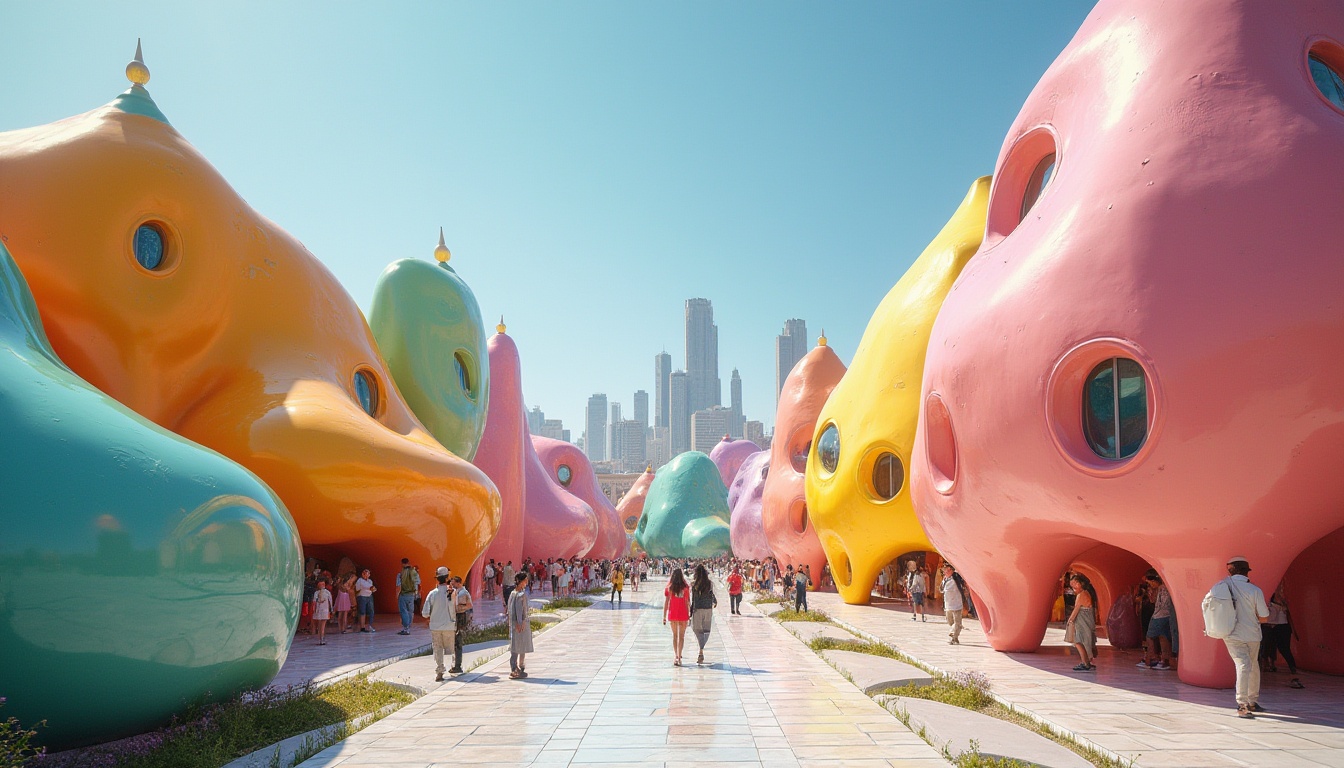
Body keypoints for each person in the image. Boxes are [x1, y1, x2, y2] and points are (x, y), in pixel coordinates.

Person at [1212, 556, 1270, 718]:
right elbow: (1264, 617)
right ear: (1246, 571)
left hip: (1231, 633)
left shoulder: (1221, 586)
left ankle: (1242, 704)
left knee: (1243, 665)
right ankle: (1251, 701)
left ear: (1230, 570)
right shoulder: (1255, 590)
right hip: (1252, 634)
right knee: (1252, 665)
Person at [420, 566, 456, 682]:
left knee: (438, 648)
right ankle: (455, 666)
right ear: (447, 578)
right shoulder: (453, 592)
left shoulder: (432, 594)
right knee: (452, 648)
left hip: (435, 626)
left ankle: (440, 671)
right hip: (450, 626)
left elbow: (425, 613)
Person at [1261, 585, 1300, 687]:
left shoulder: (1280, 604)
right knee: (1268, 645)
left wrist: (1294, 630)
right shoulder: (1271, 603)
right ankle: (1267, 664)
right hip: (1274, 627)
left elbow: (1287, 616)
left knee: (1284, 649)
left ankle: (1293, 670)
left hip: (1282, 627)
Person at [1138, 570, 1174, 670]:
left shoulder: (1162, 589)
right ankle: (1163, 659)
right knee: (1163, 637)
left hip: (1160, 615)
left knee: (1150, 636)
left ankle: (1154, 657)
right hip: (1163, 615)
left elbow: (1154, 601)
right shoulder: (1161, 588)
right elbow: (1153, 600)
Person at [1066, 573, 1098, 671]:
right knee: (1084, 641)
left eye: (1076, 583)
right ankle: (1087, 662)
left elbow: (1076, 609)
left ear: (1082, 583)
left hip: (1083, 622)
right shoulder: (1086, 593)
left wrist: (1070, 620)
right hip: (1086, 621)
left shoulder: (1082, 594)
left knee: (1079, 642)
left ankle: (1085, 663)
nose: (1074, 586)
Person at [690, 564, 718, 664]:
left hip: (698, 609)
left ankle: (701, 650)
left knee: (697, 630)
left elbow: (693, 599)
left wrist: (690, 611)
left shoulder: (693, 584)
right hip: (707, 608)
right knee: (706, 630)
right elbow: (711, 594)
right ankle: (701, 650)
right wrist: (715, 601)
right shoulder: (709, 583)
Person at [508, 573, 533, 679]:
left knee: (517, 644)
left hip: (515, 623)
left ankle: (517, 667)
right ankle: (515, 668)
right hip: (520, 623)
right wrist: (520, 622)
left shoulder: (513, 593)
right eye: (525, 580)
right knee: (517, 645)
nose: (526, 582)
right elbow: (519, 610)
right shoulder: (519, 595)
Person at [664, 568, 691, 666]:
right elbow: (687, 601)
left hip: (673, 614)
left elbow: (666, 602)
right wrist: (689, 614)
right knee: (682, 637)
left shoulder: (670, 587)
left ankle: (676, 656)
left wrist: (664, 616)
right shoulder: (686, 587)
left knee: (675, 636)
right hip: (683, 613)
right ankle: (679, 656)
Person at [451, 575, 473, 674]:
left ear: (458, 583)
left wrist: (456, 608)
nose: (452, 584)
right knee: (456, 642)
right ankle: (456, 664)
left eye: (453, 582)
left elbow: (467, 606)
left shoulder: (462, 593)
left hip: (460, 617)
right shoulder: (458, 592)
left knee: (457, 641)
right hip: (459, 617)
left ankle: (457, 665)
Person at [940, 564, 966, 645]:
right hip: (948, 604)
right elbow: (941, 589)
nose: (944, 572)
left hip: (957, 604)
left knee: (957, 621)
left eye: (946, 570)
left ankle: (954, 636)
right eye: (944, 570)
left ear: (951, 570)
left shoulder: (956, 578)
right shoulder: (945, 579)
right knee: (950, 621)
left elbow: (962, 586)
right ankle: (955, 633)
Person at [395, 558, 420, 635]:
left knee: (403, 611)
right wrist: (416, 593)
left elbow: (398, 585)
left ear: (402, 564)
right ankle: (409, 626)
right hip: (411, 595)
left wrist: (397, 594)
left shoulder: (401, 573)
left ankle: (406, 628)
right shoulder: (414, 572)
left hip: (403, 594)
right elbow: (418, 582)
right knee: (410, 611)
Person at [355, 568, 377, 633]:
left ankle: (369, 625)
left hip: (369, 597)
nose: (366, 576)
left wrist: (371, 589)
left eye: (368, 574)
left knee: (371, 611)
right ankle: (362, 627)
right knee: (362, 612)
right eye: (365, 574)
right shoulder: (360, 580)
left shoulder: (370, 581)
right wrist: (371, 588)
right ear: (362, 574)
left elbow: (371, 588)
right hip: (362, 597)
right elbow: (364, 586)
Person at [312, 579, 332, 645]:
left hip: (325, 609)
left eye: (323, 584)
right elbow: (314, 601)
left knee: (323, 624)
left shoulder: (327, 592)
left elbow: (330, 600)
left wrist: (331, 608)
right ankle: (321, 637)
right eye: (320, 584)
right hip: (319, 609)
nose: (322, 586)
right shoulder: (316, 593)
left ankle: (322, 637)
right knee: (320, 624)